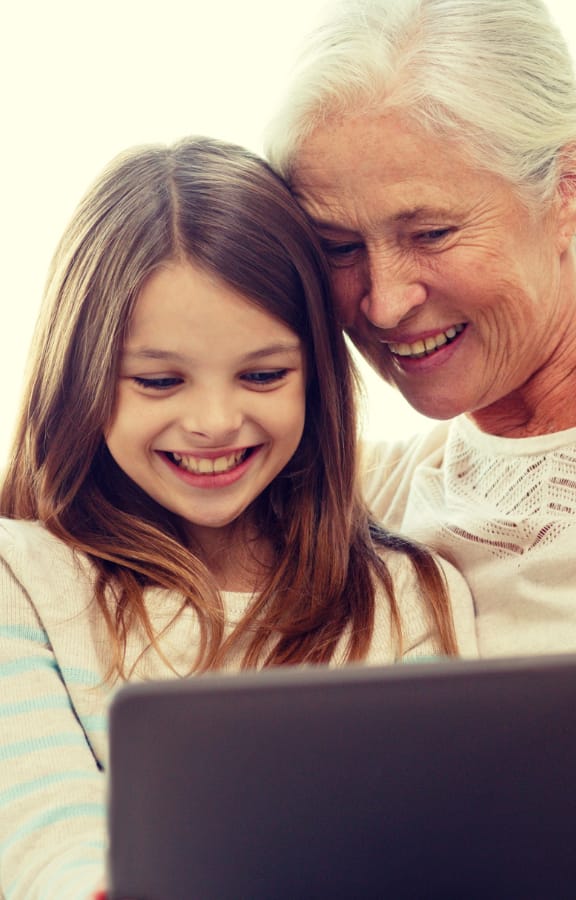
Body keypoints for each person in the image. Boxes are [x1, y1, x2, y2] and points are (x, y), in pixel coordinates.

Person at [0, 137, 476, 899]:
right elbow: (40, 826)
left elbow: (429, 843)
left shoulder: (408, 598)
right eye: (160, 381)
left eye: (262, 374)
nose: (215, 421)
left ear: (316, 377)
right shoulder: (20, 577)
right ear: (81, 377)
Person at [265, 0, 576, 658]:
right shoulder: (351, 507)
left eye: (431, 233)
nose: (384, 305)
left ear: (566, 189)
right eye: (340, 247)